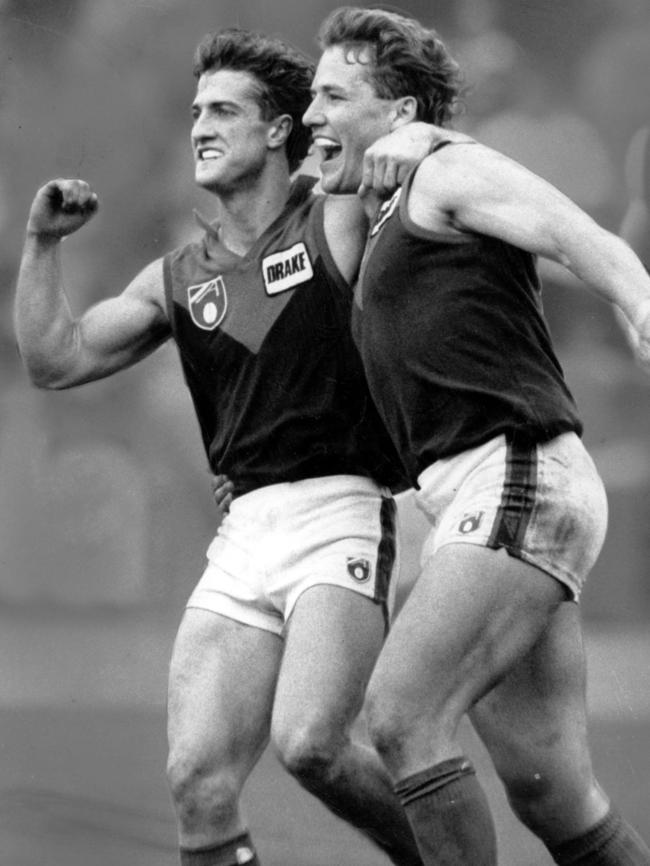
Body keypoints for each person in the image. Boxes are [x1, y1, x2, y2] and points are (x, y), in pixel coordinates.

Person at [13, 27, 442, 866]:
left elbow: (402, 147)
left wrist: (419, 133)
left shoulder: (337, 217)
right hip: (245, 532)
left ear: (279, 129)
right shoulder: (180, 276)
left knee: (312, 743)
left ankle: (441, 858)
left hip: (349, 509)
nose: (200, 127)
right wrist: (42, 245)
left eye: (223, 110)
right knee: (196, 782)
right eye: (195, 113)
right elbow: (54, 359)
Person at [303, 7, 650, 866]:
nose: (311, 113)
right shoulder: (374, 213)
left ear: (399, 111)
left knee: (401, 714)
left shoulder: (448, 172)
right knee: (550, 789)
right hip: (485, 492)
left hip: (518, 474)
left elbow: (583, 236)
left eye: (334, 95)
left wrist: (641, 299)